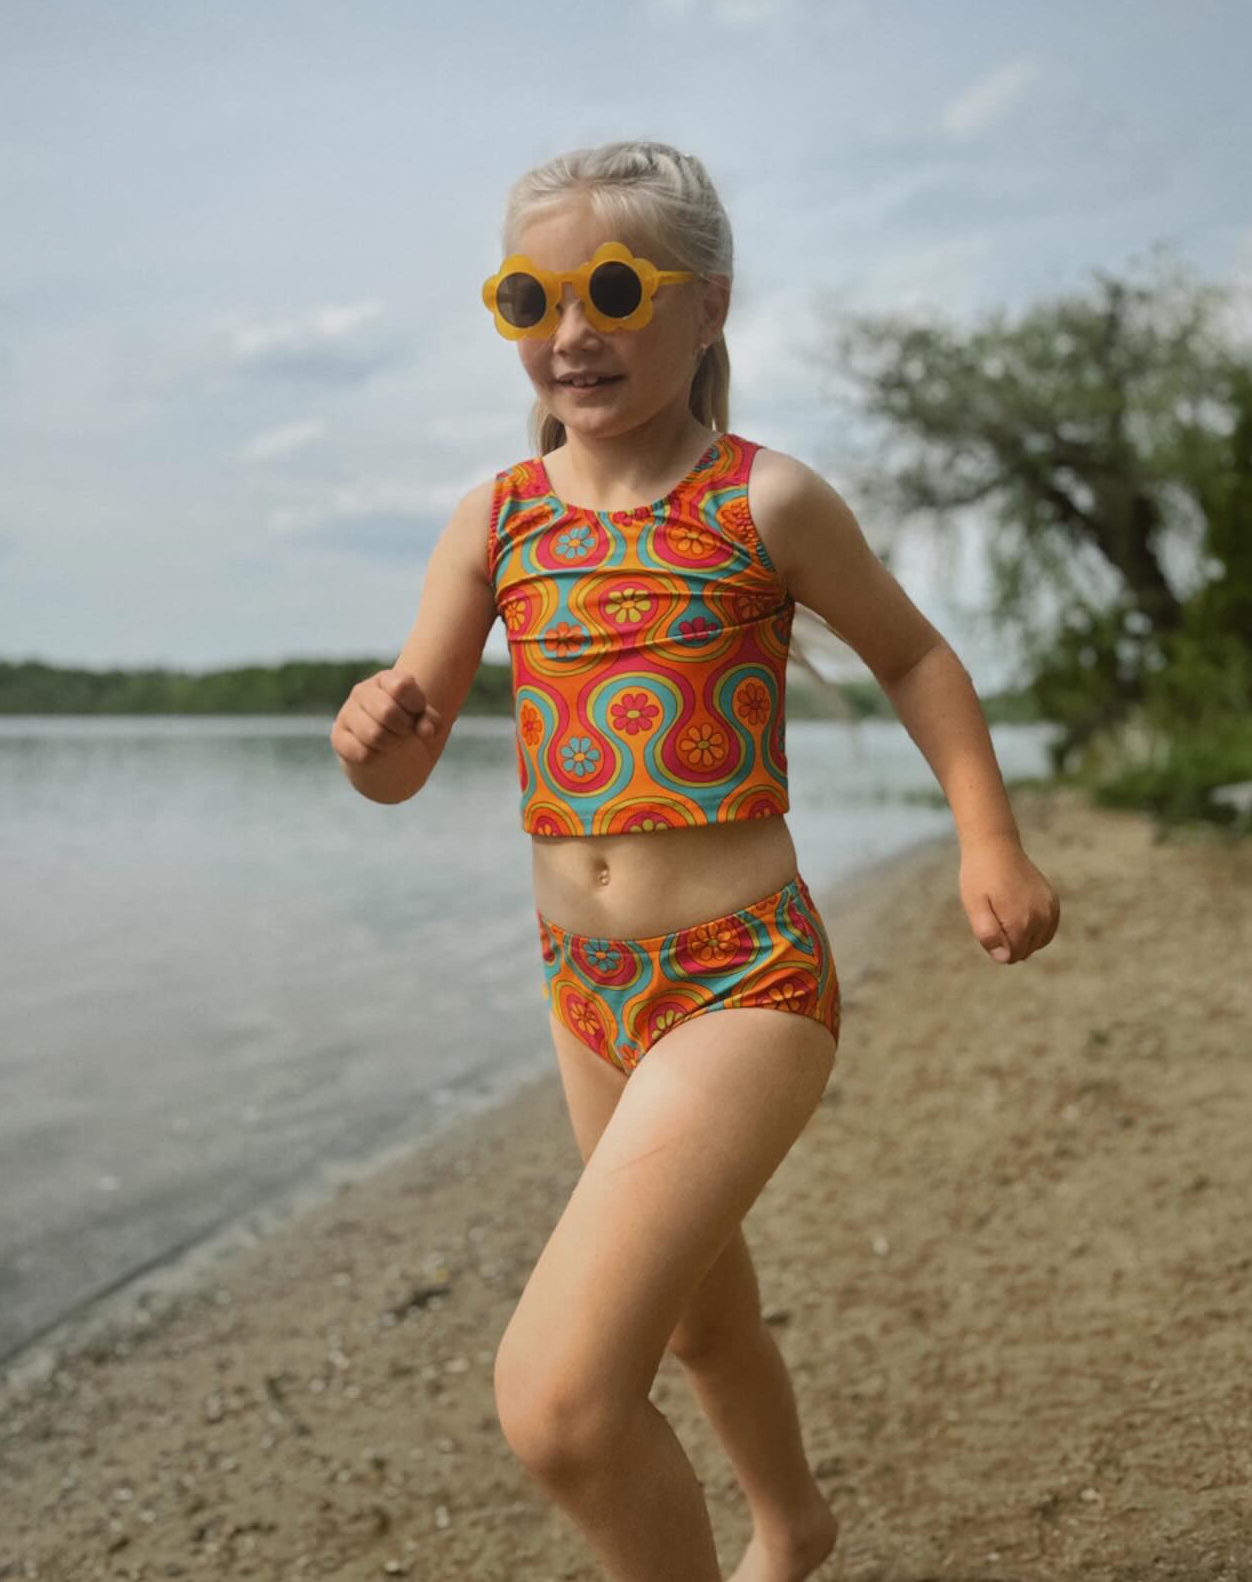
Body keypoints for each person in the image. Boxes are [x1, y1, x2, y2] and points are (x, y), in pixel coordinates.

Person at [330, 139, 1061, 1582]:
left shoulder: (764, 501)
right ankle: (793, 1524)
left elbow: (915, 658)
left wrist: (989, 835)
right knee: (696, 1325)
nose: (571, 330)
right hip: (584, 990)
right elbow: (408, 760)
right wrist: (370, 741)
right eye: (528, 298)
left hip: (743, 981)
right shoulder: (496, 518)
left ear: (708, 304)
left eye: (611, 289)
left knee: (559, 1406)